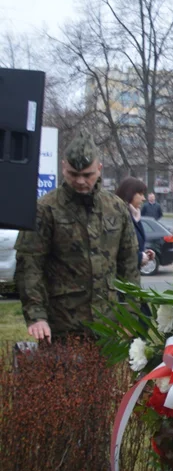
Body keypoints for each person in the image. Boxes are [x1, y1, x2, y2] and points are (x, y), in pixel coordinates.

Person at [15, 129, 140, 342]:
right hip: (61, 325)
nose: (81, 181)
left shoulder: (116, 208)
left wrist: (130, 313)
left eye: (87, 175)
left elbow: (128, 264)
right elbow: (29, 265)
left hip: (107, 325)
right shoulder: (45, 209)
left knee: (105, 376)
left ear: (99, 169)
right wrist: (36, 316)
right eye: (74, 174)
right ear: (64, 167)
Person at [115, 177, 155, 269]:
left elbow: (132, 245)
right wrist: (139, 257)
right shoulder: (118, 215)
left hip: (132, 275)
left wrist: (144, 253)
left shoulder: (135, 215)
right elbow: (115, 250)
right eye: (140, 194)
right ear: (129, 194)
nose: (143, 198)